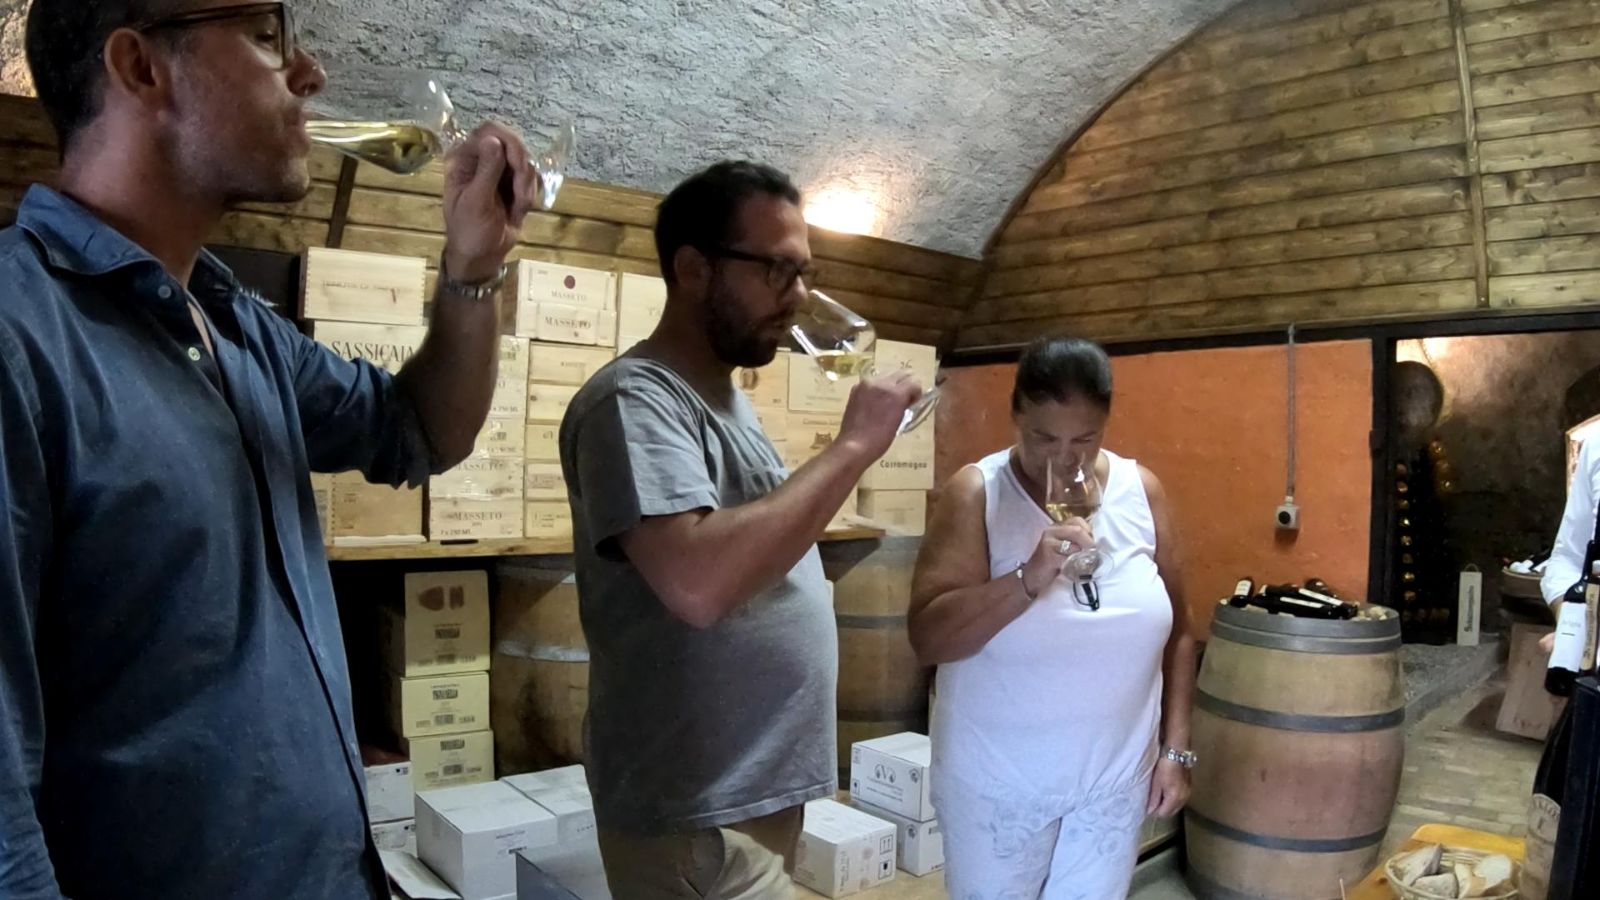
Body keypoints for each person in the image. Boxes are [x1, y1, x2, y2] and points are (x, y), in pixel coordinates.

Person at [1, 2, 538, 898]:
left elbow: (421, 430)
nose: (311, 73)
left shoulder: (238, 329)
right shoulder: (20, 336)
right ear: (140, 69)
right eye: (265, 34)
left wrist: (472, 270)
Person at [558, 160, 920, 898]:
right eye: (778, 272)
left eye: (806, 275)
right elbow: (695, 582)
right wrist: (852, 449)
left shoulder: (723, 399)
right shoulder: (634, 399)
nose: (799, 300)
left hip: (745, 801)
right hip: (695, 817)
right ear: (694, 269)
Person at [908, 336, 1198, 899]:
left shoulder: (1144, 491)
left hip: (1112, 783)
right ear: (1016, 414)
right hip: (1001, 787)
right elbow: (928, 637)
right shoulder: (977, 493)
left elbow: (1181, 632)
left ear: (1106, 423)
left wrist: (1175, 751)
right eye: (1043, 437)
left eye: (1084, 439)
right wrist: (1026, 580)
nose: (1064, 459)